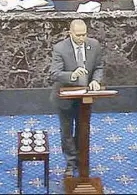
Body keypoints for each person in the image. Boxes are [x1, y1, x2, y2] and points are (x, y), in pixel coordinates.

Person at [50, 20, 103, 177]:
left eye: (84, 34)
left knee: (83, 129)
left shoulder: (94, 45)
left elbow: (99, 67)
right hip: (65, 97)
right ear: (70, 33)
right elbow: (54, 73)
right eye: (78, 35)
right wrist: (72, 75)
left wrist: (95, 81)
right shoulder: (60, 48)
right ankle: (70, 162)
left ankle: (82, 160)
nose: (82, 38)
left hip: (85, 97)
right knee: (66, 131)